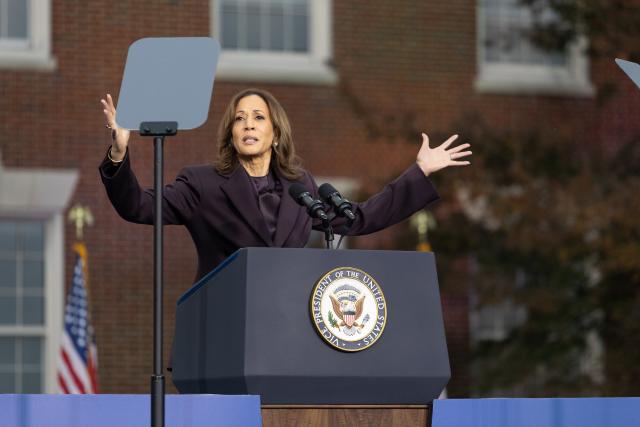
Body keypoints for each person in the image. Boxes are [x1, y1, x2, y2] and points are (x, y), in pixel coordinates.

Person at [99, 88, 471, 283]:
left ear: (275, 134)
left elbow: (358, 219)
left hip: (286, 333)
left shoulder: (300, 187)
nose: (248, 124)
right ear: (230, 134)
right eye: (240, 119)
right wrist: (119, 152)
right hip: (222, 332)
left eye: (258, 117)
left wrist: (418, 171)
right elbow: (138, 206)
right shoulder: (202, 183)